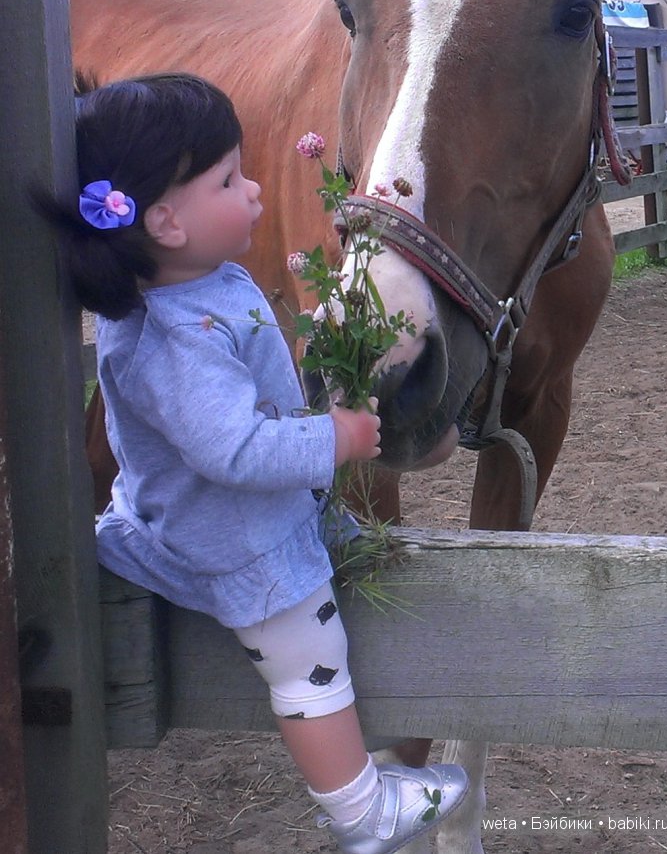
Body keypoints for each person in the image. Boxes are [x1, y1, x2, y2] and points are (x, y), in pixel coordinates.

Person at [39, 72, 468, 854]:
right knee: (309, 660)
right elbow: (231, 448)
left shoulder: (202, 286)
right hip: (240, 541)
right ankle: (360, 812)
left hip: (248, 510)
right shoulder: (174, 341)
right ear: (166, 221)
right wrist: (333, 440)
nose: (257, 187)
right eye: (230, 179)